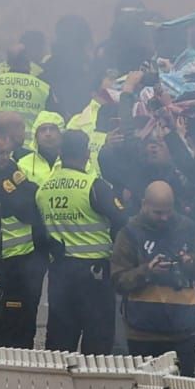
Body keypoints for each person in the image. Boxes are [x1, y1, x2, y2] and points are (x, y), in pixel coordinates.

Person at [37, 130, 125, 354]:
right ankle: (93, 387)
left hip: (59, 271)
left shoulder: (43, 190)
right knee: (98, 337)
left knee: (59, 338)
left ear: (60, 153)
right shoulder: (94, 186)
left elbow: (39, 234)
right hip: (94, 274)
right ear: (87, 154)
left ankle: (55, 385)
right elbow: (122, 221)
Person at [110, 180, 195, 374]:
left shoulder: (188, 229)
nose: (164, 217)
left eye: (168, 211)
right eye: (158, 212)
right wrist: (148, 271)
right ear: (144, 204)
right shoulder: (129, 233)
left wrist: (190, 263)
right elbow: (118, 280)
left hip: (183, 332)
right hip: (142, 333)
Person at [0, 111, 50, 348]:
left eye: (7, 153)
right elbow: (22, 205)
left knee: (26, 315)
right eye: (0, 154)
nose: (5, 157)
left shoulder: (12, 167)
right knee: (7, 319)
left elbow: (31, 191)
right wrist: (23, 194)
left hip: (26, 258)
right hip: (3, 261)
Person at [0, 43, 53, 145]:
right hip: (31, 148)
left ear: (8, 62)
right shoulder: (43, 88)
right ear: (28, 62)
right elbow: (54, 119)